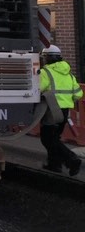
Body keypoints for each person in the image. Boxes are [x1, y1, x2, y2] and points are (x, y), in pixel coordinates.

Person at [39, 44, 83, 176]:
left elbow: (38, 90)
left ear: (46, 58)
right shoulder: (68, 74)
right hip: (65, 112)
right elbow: (78, 94)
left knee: (47, 139)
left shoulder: (45, 72)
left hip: (51, 110)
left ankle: (72, 159)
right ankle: (54, 165)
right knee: (54, 138)